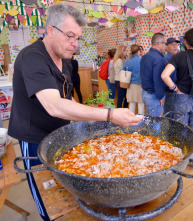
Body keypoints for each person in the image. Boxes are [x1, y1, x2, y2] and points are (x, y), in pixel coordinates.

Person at [7, 4, 142, 221]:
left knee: (67, 185)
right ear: (51, 30)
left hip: (60, 132)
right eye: (70, 36)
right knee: (46, 191)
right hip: (34, 136)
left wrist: (88, 122)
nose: (75, 44)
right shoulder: (32, 57)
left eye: (78, 38)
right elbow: (54, 105)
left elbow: (67, 99)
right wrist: (109, 114)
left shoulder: (66, 61)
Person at [141, 33, 167, 116]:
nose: (166, 46)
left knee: (149, 122)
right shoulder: (158, 59)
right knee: (155, 125)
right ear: (159, 44)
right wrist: (161, 97)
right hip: (154, 96)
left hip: (145, 93)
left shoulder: (145, 56)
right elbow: (158, 80)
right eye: (165, 43)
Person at [123, 44, 145, 115]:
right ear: (138, 51)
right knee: (141, 104)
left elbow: (123, 70)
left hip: (130, 84)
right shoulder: (141, 60)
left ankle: (131, 120)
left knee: (132, 104)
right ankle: (140, 121)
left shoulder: (127, 60)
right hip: (140, 84)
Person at [163, 37, 180, 117]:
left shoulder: (176, 57)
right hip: (170, 92)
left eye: (176, 44)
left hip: (176, 91)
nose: (175, 46)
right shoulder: (166, 59)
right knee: (169, 115)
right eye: (172, 44)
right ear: (166, 47)